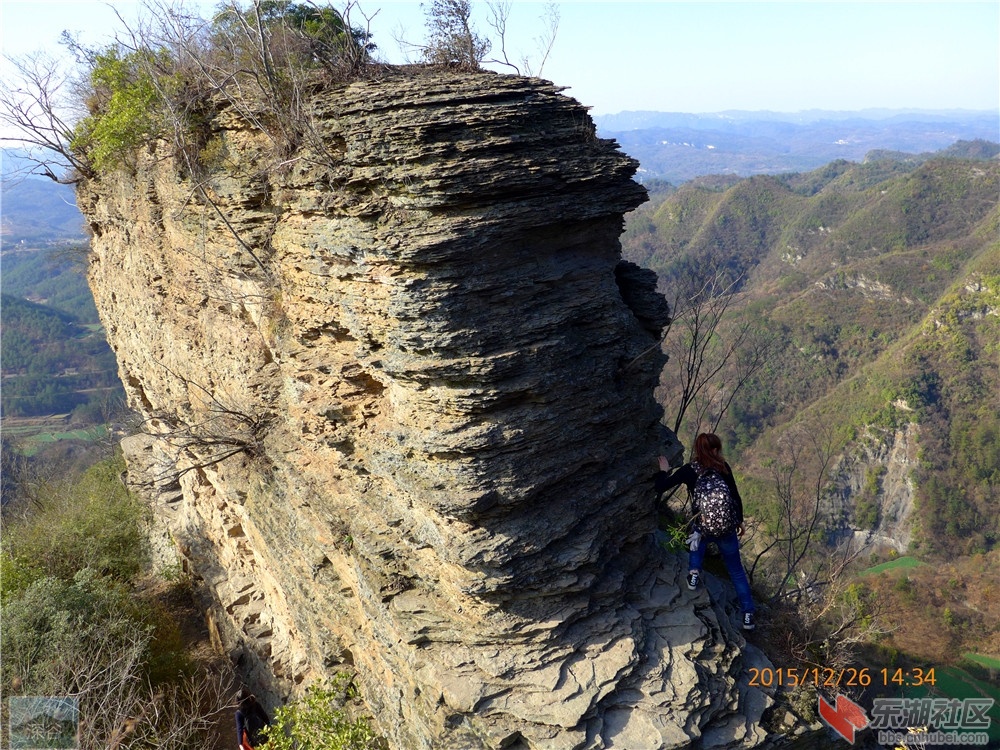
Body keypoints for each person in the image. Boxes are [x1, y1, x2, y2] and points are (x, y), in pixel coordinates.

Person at [655, 433, 757, 631]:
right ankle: (748, 616)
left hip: (703, 526)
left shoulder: (689, 470)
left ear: (697, 449)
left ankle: (693, 574)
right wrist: (740, 521)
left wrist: (664, 471)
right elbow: (734, 495)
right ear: (715, 450)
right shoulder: (723, 468)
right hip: (726, 529)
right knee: (736, 572)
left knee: (697, 536)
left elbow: (661, 486)